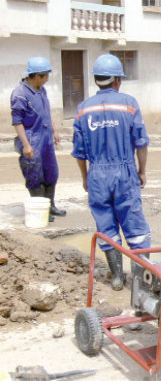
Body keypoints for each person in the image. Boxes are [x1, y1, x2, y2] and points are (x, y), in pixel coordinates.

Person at [72, 54, 151, 290]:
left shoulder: (82, 109)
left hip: (97, 174)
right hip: (125, 172)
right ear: (117, 80)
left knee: (106, 227)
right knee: (135, 228)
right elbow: (141, 142)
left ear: (96, 79)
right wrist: (142, 171)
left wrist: (86, 178)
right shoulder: (129, 104)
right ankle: (141, 280)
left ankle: (117, 277)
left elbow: (79, 152)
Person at [10, 57, 66, 223]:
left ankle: (50, 205)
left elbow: (46, 112)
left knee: (51, 173)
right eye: (46, 75)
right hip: (31, 138)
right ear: (36, 76)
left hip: (46, 138)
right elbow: (17, 121)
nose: (48, 78)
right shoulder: (20, 94)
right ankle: (40, 208)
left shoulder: (42, 90)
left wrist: (54, 131)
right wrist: (26, 144)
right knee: (34, 174)